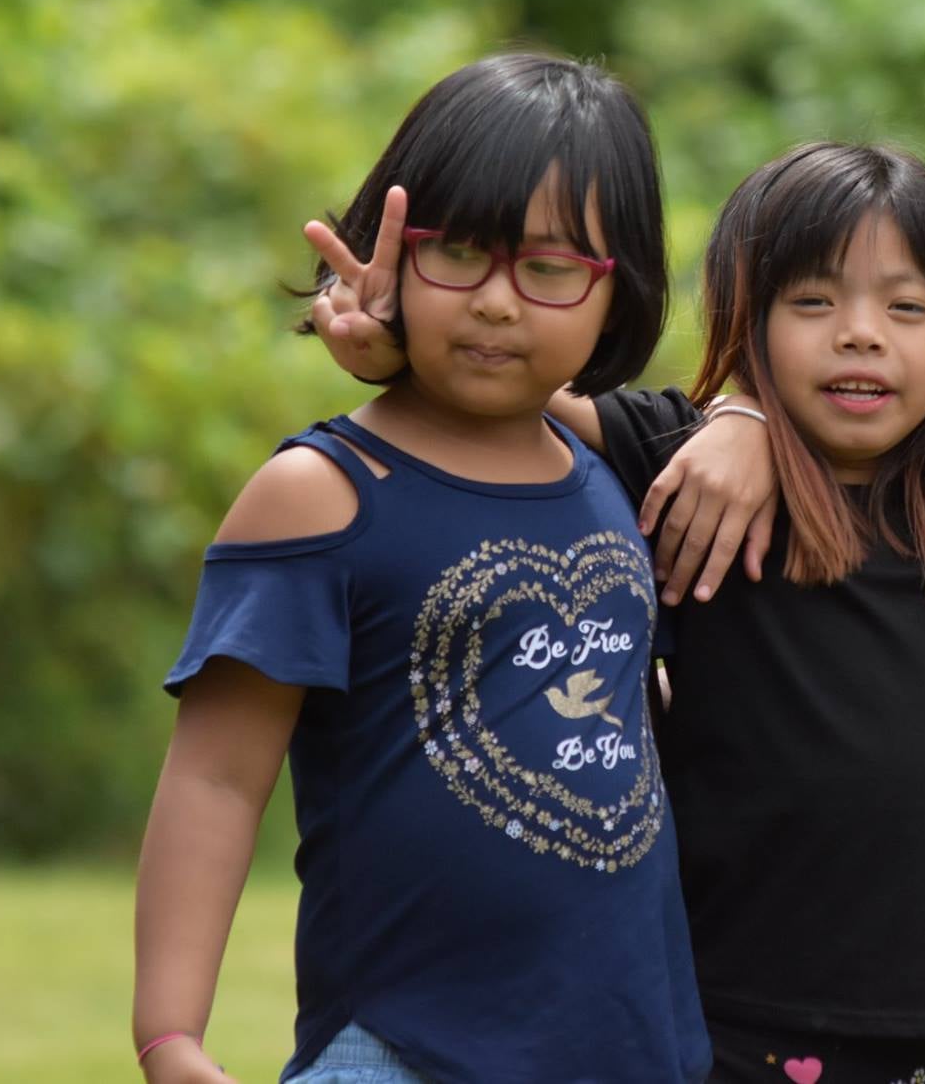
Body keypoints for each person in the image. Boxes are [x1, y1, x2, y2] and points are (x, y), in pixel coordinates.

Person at [309, 142, 925, 1083]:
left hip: (907, 1027)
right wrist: (397, 341)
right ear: (748, 319)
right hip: (708, 1010)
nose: (861, 334)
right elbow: (517, 376)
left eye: (908, 307)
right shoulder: (684, 459)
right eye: (811, 301)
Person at [133, 53, 710, 1084]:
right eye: (459, 254)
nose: (496, 302)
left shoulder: (616, 485)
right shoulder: (321, 494)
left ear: (615, 289)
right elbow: (216, 779)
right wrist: (170, 1035)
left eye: (548, 268)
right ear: (387, 257)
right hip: (403, 1049)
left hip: (630, 1049)